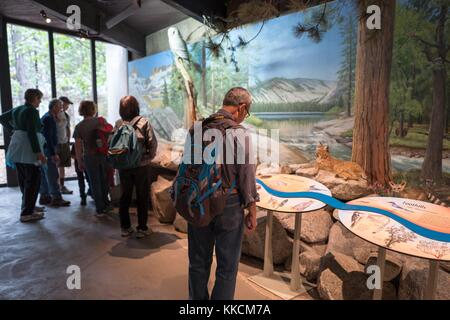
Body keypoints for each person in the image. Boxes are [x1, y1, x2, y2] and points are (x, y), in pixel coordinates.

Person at [187, 87, 258, 300]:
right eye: (247, 112)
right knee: (227, 267)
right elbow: (247, 177)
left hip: (197, 200)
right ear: (242, 107)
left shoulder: (197, 127)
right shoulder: (239, 133)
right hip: (229, 203)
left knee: (198, 262)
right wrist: (252, 210)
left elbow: (189, 167)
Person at [0, 89, 47, 222]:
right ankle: (27, 212)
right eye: (39, 99)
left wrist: (14, 130)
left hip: (17, 146)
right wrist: (38, 153)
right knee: (33, 180)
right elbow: (32, 132)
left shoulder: (19, 108)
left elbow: (2, 118)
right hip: (28, 149)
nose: (40, 101)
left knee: (23, 179)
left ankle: (28, 206)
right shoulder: (31, 111)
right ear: (34, 98)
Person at [114, 96, 158, 239]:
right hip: (141, 166)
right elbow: (152, 143)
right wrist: (147, 158)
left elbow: (113, 144)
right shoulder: (144, 122)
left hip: (124, 166)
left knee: (125, 196)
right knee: (142, 196)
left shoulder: (119, 123)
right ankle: (142, 228)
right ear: (136, 107)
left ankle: (125, 227)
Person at [73, 101, 112, 217]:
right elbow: (110, 136)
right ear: (93, 109)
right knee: (105, 180)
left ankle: (100, 209)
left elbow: (78, 147)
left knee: (94, 182)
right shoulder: (101, 121)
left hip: (89, 157)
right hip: (104, 154)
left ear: (81, 111)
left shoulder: (79, 127)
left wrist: (80, 161)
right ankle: (107, 204)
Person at [39, 99, 71, 207]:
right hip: (48, 150)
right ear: (54, 107)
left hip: (44, 149)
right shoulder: (49, 118)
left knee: (45, 173)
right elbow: (48, 137)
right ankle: (56, 198)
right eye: (59, 106)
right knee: (53, 174)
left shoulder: (47, 117)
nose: (61, 108)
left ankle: (44, 196)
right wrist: (53, 153)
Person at [56, 96, 74, 195]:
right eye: (66, 104)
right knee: (57, 165)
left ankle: (61, 186)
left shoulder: (66, 115)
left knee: (62, 165)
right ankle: (57, 186)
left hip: (64, 142)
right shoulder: (53, 115)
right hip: (57, 143)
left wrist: (67, 141)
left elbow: (67, 129)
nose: (67, 106)